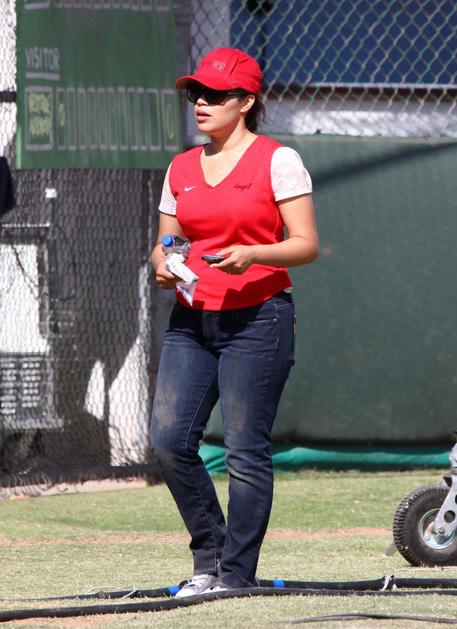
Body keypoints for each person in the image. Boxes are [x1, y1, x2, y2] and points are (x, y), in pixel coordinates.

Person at [150, 47, 319, 596]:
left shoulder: (278, 160)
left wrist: (254, 254)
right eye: (196, 93)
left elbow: (306, 244)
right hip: (191, 321)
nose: (201, 102)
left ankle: (236, 575)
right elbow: (169, 242)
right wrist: (162, 263)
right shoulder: (181, 167)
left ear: (245, 102)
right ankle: (211, 560)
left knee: (245, 452)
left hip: (259, 320)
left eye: (216, 94)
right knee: (169, 442)